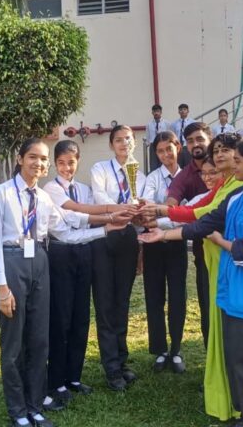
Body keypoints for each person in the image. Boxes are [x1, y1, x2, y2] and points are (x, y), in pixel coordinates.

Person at [140, 137, 243, 427]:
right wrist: (163, 234)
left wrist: (221, 242)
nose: (231, 164)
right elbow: (203, 224)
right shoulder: (237, 196)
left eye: (238, 161)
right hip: (230, 288)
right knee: (234, 355)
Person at [0, 138, 124, 427]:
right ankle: (18, 411)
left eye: (43, 159)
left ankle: (35, 405)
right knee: (14, 342)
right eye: (33, 157)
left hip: (39, 260)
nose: (38, 163)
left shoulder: (43, 198)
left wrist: (107, 226)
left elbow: (67, 228)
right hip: (12, 260)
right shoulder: (0, 194)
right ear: (20, 159)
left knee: (39, 339)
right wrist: (2, 289)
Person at [42, 140, 134, 410]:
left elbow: (90, 219)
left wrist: (115, 219)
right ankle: (57, 380)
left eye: (71, 162)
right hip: (61, 254)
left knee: (81, 318)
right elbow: (75, 215)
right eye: (61, 163)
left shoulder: (84, 189)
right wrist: (113, 214)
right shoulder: (51, 190)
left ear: (78, 161)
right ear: (55, 164)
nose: (67, 168)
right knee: (62, 319)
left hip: (85, 253)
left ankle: (74, 377)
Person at [90, 125, 146, 391]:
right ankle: (111, 368)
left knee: (122, 302)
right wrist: (126, 208)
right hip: (105, 236)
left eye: (128, 139)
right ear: (111, 144)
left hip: (128, 238)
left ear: (134, 142)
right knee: (105, 303)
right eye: (119, 140)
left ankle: (122, 361)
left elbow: (141, 204)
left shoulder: (139, 174)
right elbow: (100, 198)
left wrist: (137, 211)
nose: (124, 143)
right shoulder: (100, 169)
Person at [139, 131, 188, 373]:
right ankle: (160, 350)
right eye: (160, 151)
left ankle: (176, 349)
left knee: (178, 296)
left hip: (177, 243)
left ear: (177, 147)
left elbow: (189, 215)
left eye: (169, 148)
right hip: (153, 245)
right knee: (154, 296)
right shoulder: (152, 178)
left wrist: (160, 219)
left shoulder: (188, 177)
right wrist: (171, 217)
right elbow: (147, 211)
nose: (165, 154)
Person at [165, 122, 212, 348]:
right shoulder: (184, 175)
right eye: (191, 141)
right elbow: (172, 204)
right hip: (204, 252)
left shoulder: (226, 165)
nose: (196, 144)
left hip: (233, 250)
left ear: (210, 139)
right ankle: (212, 360)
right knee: (207, 308)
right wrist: (158, 215)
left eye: (200, 139)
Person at [145, 104, 169, 171]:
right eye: (154, 111)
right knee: (153, 165)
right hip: (153, 146)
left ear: (161, 112)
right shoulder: (149, 124)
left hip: (163, 145)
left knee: (163, 163)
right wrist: (148, 143)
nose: (156, 113)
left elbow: (169, 135)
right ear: (152, 113)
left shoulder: (166, 123)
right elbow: (147, 136)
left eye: (158, 111)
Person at [171, 103, 194, 168]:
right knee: (178, 166)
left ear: (188, 111)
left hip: (188, 147)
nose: (183, 111)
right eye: (181, 110)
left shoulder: (193, 122)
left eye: (184, 109)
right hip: (178, 147)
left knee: (189, 166)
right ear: (178, 112)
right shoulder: (174, 124)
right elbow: (173, 136)